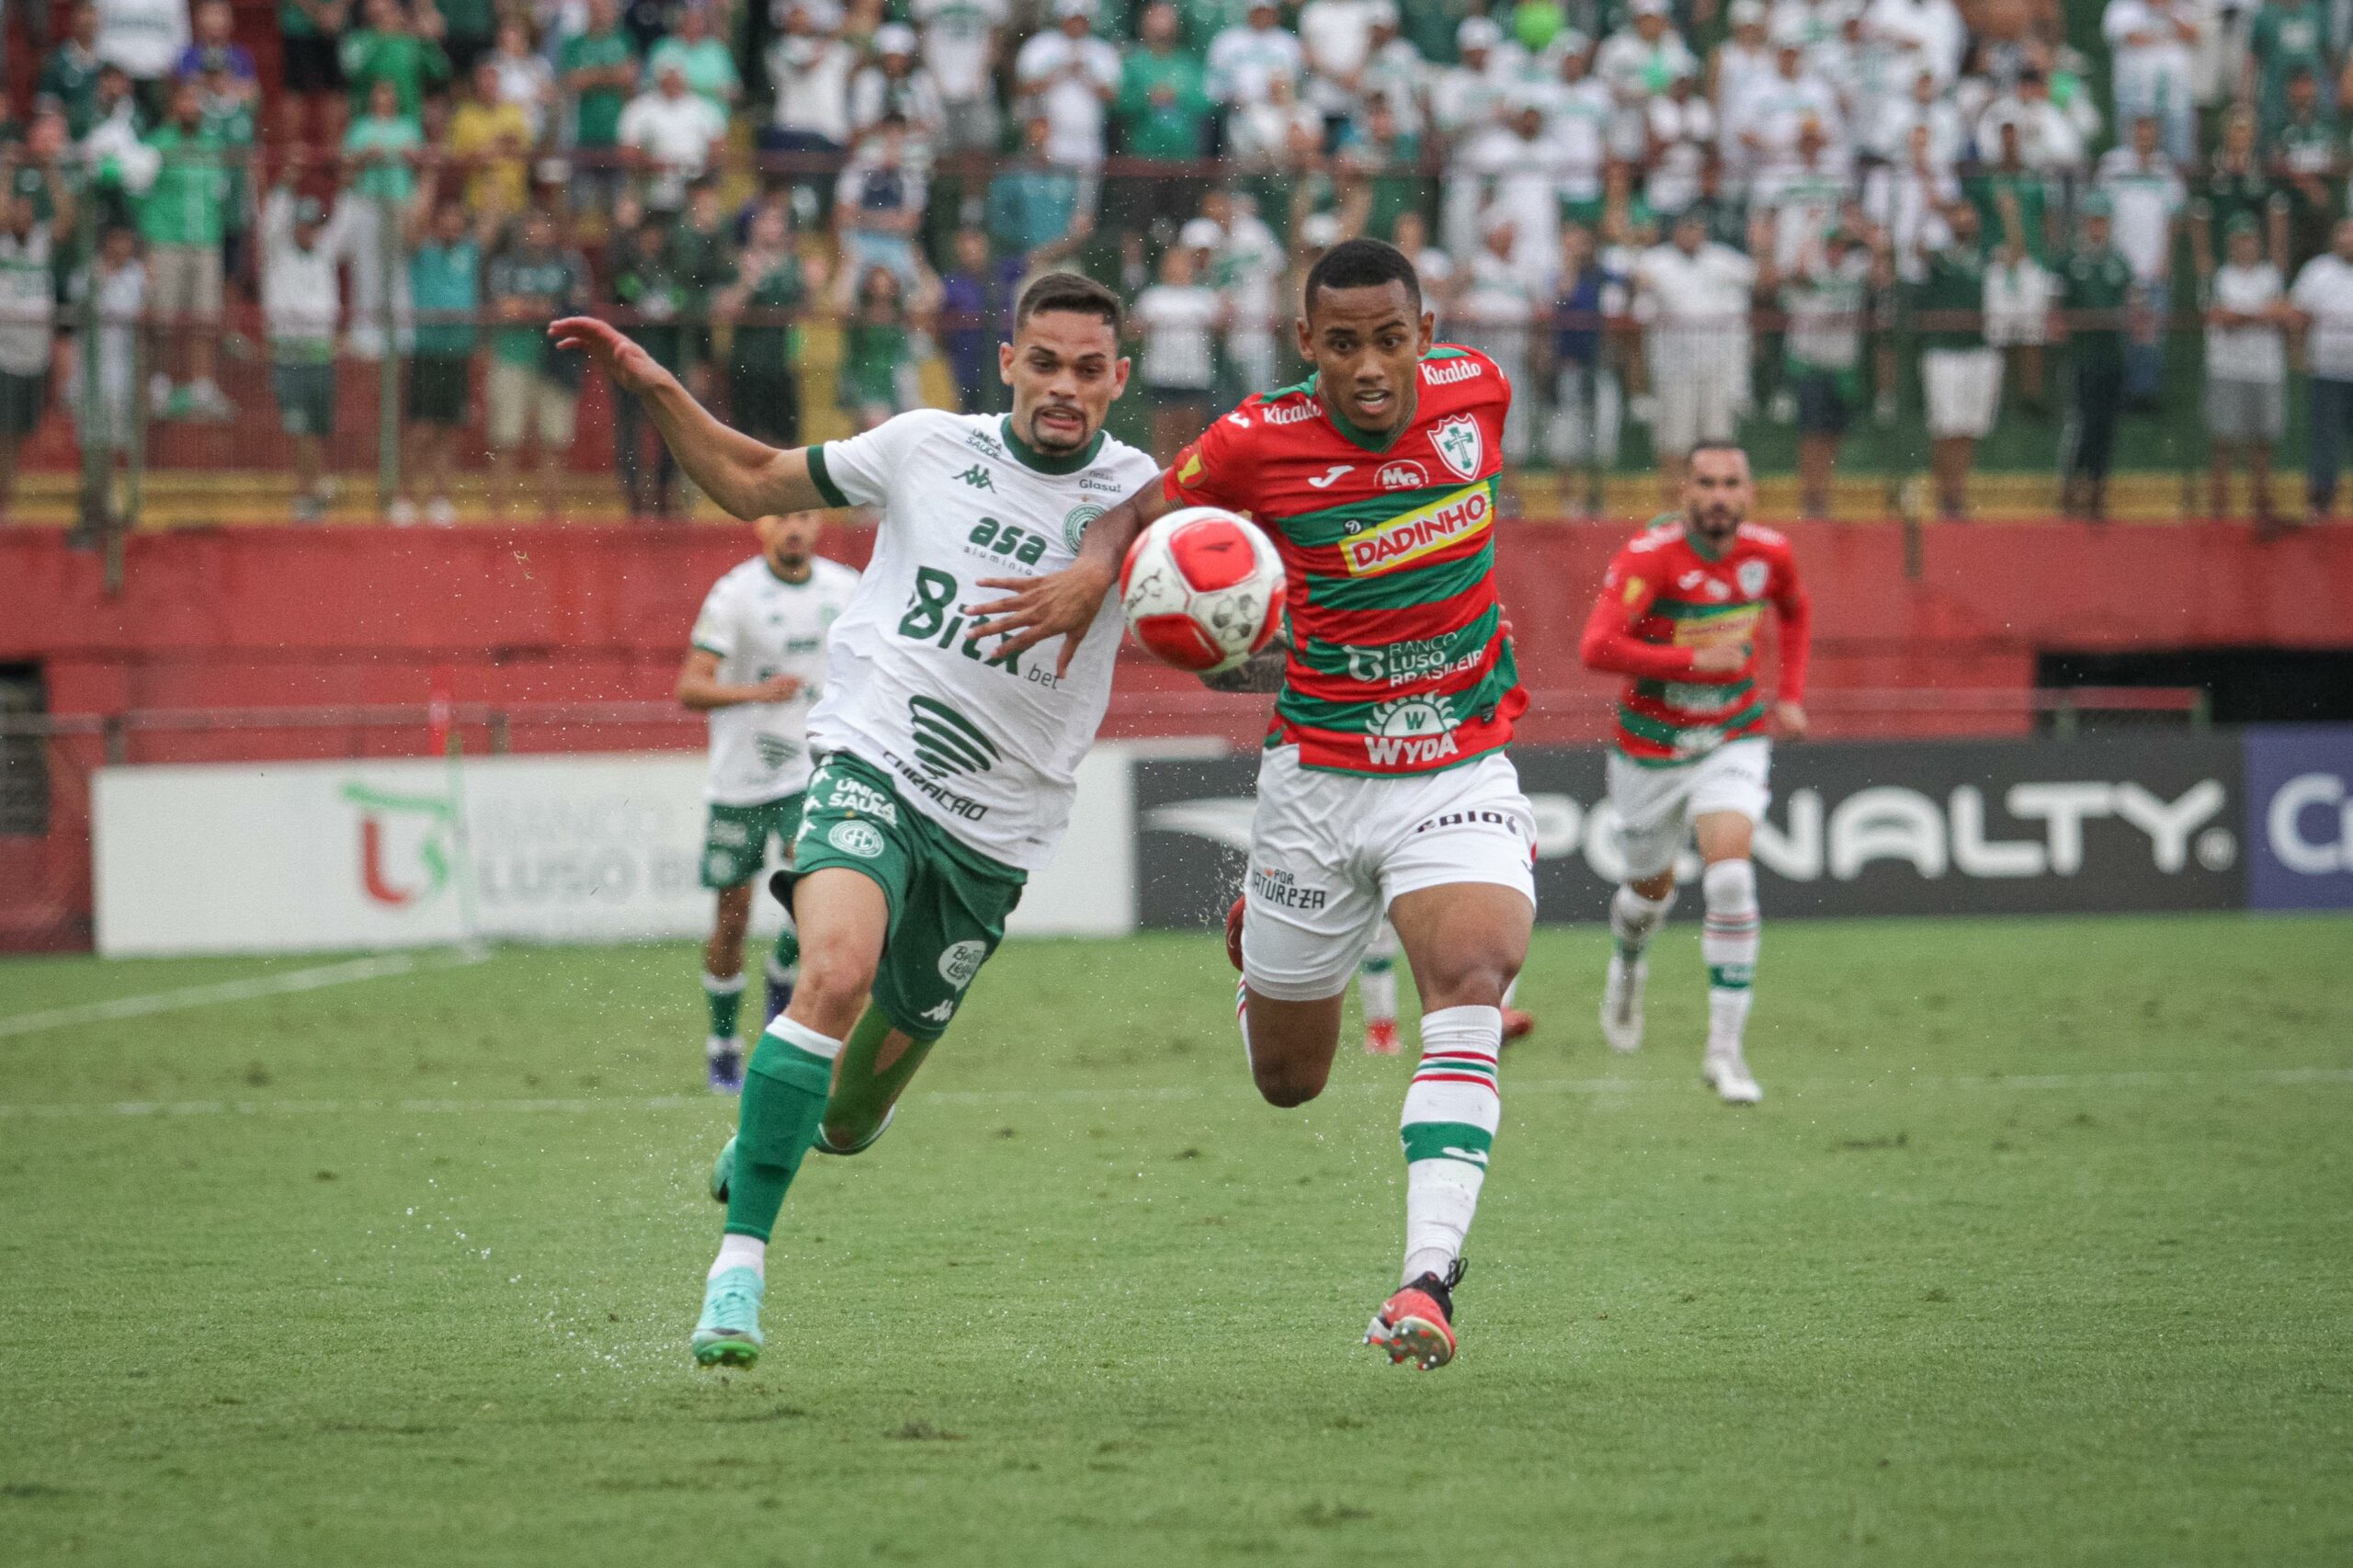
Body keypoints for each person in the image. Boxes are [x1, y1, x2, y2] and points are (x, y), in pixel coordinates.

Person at [550, 269, 1161, 1369]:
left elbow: (1216, 610)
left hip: (996, 834)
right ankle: (737, 1270)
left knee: (847, 1117)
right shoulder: (925, 445)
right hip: (873, 760)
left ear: (1118, 378)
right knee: (831, 973)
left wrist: (1120, 569)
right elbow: (750, 478)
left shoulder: (1147, 495)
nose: (1063, 387)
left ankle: (780, 1127)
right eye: (1043, 362)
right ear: (1008, 362)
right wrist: (651, 385)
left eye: (1086, 369)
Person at [969, 239, 1536, 1373]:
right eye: (1343, 344)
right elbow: (1137, 513)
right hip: (1317, 785)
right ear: (1305, 343)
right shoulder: (1252, 440)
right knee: (1290, 1080)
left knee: (1473, 972)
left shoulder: (1479, 392)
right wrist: (1097, 574)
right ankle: (1258, 942)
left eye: (1390, 340)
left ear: (1426, 335)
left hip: (1458, 765)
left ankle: (1426, 1278)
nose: (1368, 367)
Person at [1578, 443, 1811, 1104]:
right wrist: (1691, 660)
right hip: (1650, 750)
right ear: (1684, 491)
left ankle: (1725, 1054)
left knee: (1731, 876)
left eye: (1731, 483)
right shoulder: (1650, 557)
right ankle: (1628, 965)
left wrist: (1790, 694)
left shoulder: (1771, 554)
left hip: (1732, 738)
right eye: (1705, 483)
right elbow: (1596, 647)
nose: (1718, 496)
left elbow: (1796, 610)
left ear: (1750, 494)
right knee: (1647, 897)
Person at [679, 512, 861, 1092]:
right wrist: (756, 692)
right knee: (732, 919)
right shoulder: (734, 594)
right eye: (784, 518)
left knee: (817, 885)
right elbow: (690, 687)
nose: (795, 529)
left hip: (813, 769)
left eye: (805, 516)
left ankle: (783, 976)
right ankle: (723, 1044)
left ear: (818, 525)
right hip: (740, 780)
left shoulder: (847, 587)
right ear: (762, 526)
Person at [1633, 209, 1757, 501]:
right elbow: (1639, 305)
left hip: (1717, 366)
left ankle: (1713, 508)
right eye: (1686, 227)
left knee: (1718, 443)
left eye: (1697, 227)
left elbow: (1760, 278)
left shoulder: (1720, 258)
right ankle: (1672, 511)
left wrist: (1762, 244)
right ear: (1675, 229)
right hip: (1673, 367)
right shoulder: (1655, 261)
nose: (1692, 233)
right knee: (1674, 443)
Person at [260, 176, 355, 523]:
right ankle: (309, 490)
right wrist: (285, 183)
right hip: (289, 353)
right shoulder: (278, 254)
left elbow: (345, 222)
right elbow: (271, 222)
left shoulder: (325, 254)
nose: (307, 230)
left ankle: (315, 485)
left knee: (317, 426)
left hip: (320, 352)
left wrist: (349, 182)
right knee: (299, 427)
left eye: (313, 225)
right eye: (301, 224)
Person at [137, 76, 232, 421]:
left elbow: (220, 193)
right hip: (166, 240)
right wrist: (147, 244)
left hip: (205, 240)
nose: (190, 107)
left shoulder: (214, 145)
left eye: (195, 100)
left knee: (205, 317)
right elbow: (139, 194)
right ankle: (159, 387)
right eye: (184, 99)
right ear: (173, 105)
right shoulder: (157, 144)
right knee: (162, 317)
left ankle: (202, 387)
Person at [483, 207, 587, 519]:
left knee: (554, 442)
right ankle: (498, 521)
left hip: (556, 361)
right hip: (511, 356)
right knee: (505, 440)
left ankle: (551, 518)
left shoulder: (570, 264)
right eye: (532, 224)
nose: (538, 231)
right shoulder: (505, 265)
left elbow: (577, 307)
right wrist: (548, 307)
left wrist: (533, 308)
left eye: (543, 224)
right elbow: (504, 308)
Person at [398, 191, 483, 527]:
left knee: (448, 431)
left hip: (458, 352)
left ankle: (440, 498)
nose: (451, 226)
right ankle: (404, 497)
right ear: (437, 225)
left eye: (456, 221)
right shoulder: (424, 252)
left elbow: (491, 222)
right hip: (428, 350)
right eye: (445, 221)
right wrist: (429, 180)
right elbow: (410, 225)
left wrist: (492, 179)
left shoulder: (470, 252)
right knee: (421, 429)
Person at [1914, 199, 2000, 519]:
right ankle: (1944, 495)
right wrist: (1930, 210)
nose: (1964, 220)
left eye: (1968, 214)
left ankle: (1958, 493)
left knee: (1969, 426)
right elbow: (1917, 249)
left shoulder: (1988, 255)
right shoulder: (1940, 257)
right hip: (1944, 350)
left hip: (1978, 349)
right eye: (1958, 215)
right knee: (1945, 426)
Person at [2203, 215, 2289, 526]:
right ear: (2230, 244)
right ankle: (2219, 508)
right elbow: (2220, 316)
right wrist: (2258, 314)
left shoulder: (2271, 275)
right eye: (2239, 240)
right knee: (2224, 440)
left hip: (2265, 369)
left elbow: (2281, 311)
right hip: (2227, 368)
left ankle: (2261, 506)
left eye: (2250, 239)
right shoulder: (2219, 276)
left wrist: (2242, 314)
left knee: (2263, 442)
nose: (2245, 246)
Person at [2056, 196, 2136, 521]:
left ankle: (2098, 489)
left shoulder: (2119, 262)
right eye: (2092, 220)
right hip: (2082, 354)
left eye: (2102, 221)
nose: (2097, 227)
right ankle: (2071, 487)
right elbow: (2057, 308)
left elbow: (2133, 302)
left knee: (2106, 424)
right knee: (2081, 423)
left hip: (2112, 353)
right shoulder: (2071, 261)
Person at [0, 188, 64, 516]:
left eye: (27, 211)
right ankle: (4, 501)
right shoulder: (3, 244)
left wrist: (51, 174)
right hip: (5, 354)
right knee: (5, 433)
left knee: (20, 432)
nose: (21, 217)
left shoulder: (41, 242)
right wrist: (7, 173)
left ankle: (8, 494)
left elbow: (67, 218)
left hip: (35, 354)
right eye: (16, 210)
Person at [1131, 240, 1222, 461]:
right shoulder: (1152, 297)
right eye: (1171, 263)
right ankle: (1163, 477)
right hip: (1161, 375)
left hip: (1195, 376)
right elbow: (1133, 330)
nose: (1177, 268)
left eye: (1182, 262)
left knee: (1192, 438)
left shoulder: (1205, 298)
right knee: (1163, 437)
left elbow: (1222, 328)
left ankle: (1187, 480)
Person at [2288, 217, 2353, 527]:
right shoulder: (2317, 271)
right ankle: (2321, 503)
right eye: (2344, 232)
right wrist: (2298, 353)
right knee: (2324, 438)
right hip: (2327, 370)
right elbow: (2297, 312)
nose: (2349, 239)